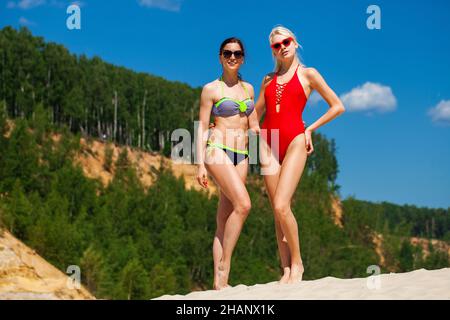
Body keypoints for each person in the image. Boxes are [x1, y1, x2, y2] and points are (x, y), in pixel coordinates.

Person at [254, 25, 345, 284]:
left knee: (283, 204)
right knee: (276, 210)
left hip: (295, 138)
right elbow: (254, 113)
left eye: (286, 42)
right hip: (267, 142)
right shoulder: (267, 80)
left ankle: (298, 263)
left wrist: (311, 129)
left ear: (295, 42)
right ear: (273, 50)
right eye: (276, 45)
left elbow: (338, 106)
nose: (282, 47)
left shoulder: (309, 74)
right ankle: (284, 269)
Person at [196, 37, 259, 289]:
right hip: (217, 150)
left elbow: (253, 124)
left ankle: (219, 285)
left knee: (224, 217)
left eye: (237, 53)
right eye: (227, 53)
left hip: (241, 154)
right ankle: (224, 265)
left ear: (243, 57)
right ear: (220, 56)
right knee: (244, 205)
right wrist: (200, 164)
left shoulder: (249, 89)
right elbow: (201, 126)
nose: (232, 57)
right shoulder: (211, 89)